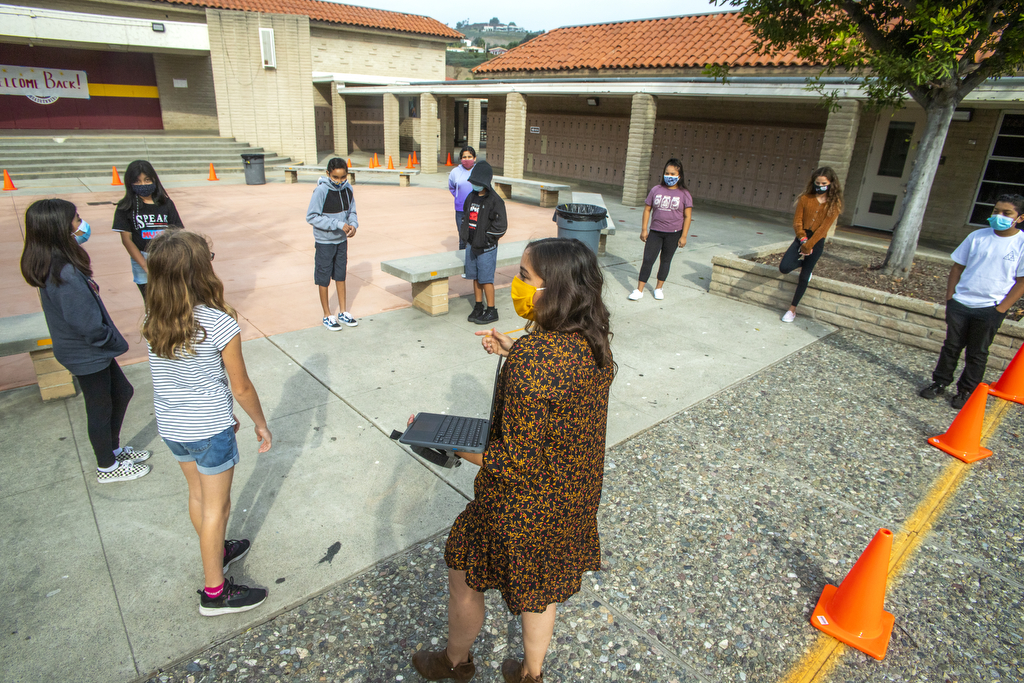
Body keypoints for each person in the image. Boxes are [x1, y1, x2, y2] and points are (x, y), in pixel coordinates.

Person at [411, 238, 615, 683]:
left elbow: (513, 459)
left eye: (525, 277)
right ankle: (531, 674)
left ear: (554, 289)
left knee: (463, 572)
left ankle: (453, 663)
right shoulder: (593, 342)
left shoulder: (533, 361)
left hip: (520, 505)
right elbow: (556, 401)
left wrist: (449, 444)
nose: (515, 284)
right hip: (571, 498)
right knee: (539, 591)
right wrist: (515, 349)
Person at [143, 229, 273, 616]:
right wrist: (260, 423)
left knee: (198, 496)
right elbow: (242, 386)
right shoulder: (218, 322)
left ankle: (216, 549)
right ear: (200, 270)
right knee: (218, 507)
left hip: (172, 426)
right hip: (209, 429)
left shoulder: (153, 317)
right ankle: (215, 592)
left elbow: (183, 376)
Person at [20, 199, 151, 483]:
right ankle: (107, 466)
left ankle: (113, 449)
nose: (82, 225)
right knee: (100, 406)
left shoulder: (59, 263)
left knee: (122, 392)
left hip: (90, 349)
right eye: (76, 220)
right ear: (58, 228)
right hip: (87, 351)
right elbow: (86, 322)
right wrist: (106, 340)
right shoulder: (62, 273)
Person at [919, 193, 1024, 409]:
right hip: (961, 303)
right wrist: (951, 298)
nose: (999, 216)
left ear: (1020, 218)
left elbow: (1021, 282)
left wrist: (1000, 309)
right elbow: (957, 267)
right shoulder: (978, 236)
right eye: (996, 211)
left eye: (1007, 213)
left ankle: (966, 390)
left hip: (990, 308)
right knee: (951, 346)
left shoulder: (1021, 244)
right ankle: (940, 382)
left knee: (977, 352)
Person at [778, 166, 844, 322]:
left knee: (804, 277)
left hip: (817, 241)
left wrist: (809, 246)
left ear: (831, 184)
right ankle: (803, 264)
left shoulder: (834, 204)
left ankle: (792, 310)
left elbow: (823, 229)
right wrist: (802, 240)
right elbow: (797, 221)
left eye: (823, 183)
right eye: (817, 183)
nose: (820, 186)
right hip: (802, 237)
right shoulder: (805, 198)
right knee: (784, 267)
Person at [112, 160, 183, 300]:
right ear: (129, 183)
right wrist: (145, 266)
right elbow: (127, 240)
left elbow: (177, 233)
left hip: (167, 257)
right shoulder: (125, 207)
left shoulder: (166, 203)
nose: (142, 185)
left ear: (154, 180)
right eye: (137, 181)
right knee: (152, 304)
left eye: (147, 180)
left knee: (173, 300)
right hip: (142, 260)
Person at [628, 158, 693, 301]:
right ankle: (639, 290)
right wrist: (644, 229)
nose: (669, 176)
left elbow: (687, 217)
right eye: (667, 173)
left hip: (674, 234)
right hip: (655, 232)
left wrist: (684, 236)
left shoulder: (684, 194)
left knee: (665, 261)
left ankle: (659, 288)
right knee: (648, 260)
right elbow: (647, 210)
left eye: (673, 174)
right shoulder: (656, 190)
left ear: (679, 176)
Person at [308, 157, 359, 331]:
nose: (339, 181)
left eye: (343, 177)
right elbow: (312, 217)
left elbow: (352, 211)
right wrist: (337, 224)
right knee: (323, 277)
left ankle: (343, 312)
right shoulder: (321, 191)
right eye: (335, 177)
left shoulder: (348, 189)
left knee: (340, 275)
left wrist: (353, 224)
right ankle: (327, 315)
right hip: (325, 242)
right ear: (328, 174)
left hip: (341, 241)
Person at [459, 160, 507, 325]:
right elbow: (465, 215)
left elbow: (501, 226)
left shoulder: (495, 201)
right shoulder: (471, 196)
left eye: (478, 183)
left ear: (485, 182)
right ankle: (478, 306)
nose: (475, 185)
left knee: (486, 279)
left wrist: (487, 238)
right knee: (475, 277)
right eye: (473, 182)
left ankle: (491, 310)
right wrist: (465, 234)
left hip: (486, 248)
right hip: (472, 246)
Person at [448, 146, 477, 251]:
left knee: (475, 236)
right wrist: (459, 198)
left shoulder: (478, 171)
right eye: (464, 157)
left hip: (476, 209)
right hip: (460, 209)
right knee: (462, 237)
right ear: (460, 159)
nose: (467, 159)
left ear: (474, 158)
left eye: (469, 156)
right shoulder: (455, 172)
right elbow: (451, 187)